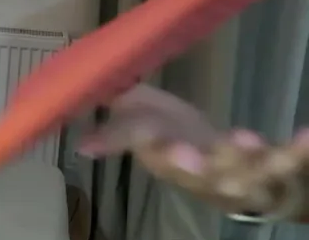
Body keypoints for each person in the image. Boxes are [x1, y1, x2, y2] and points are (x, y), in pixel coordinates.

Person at [78, 84, 309, 224]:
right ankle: (111, 115)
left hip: (175, 147)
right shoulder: (211, 150)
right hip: (194, 146)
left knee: (149, 126)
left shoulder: (193, 160)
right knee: (164, 115)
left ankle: (108, 132)